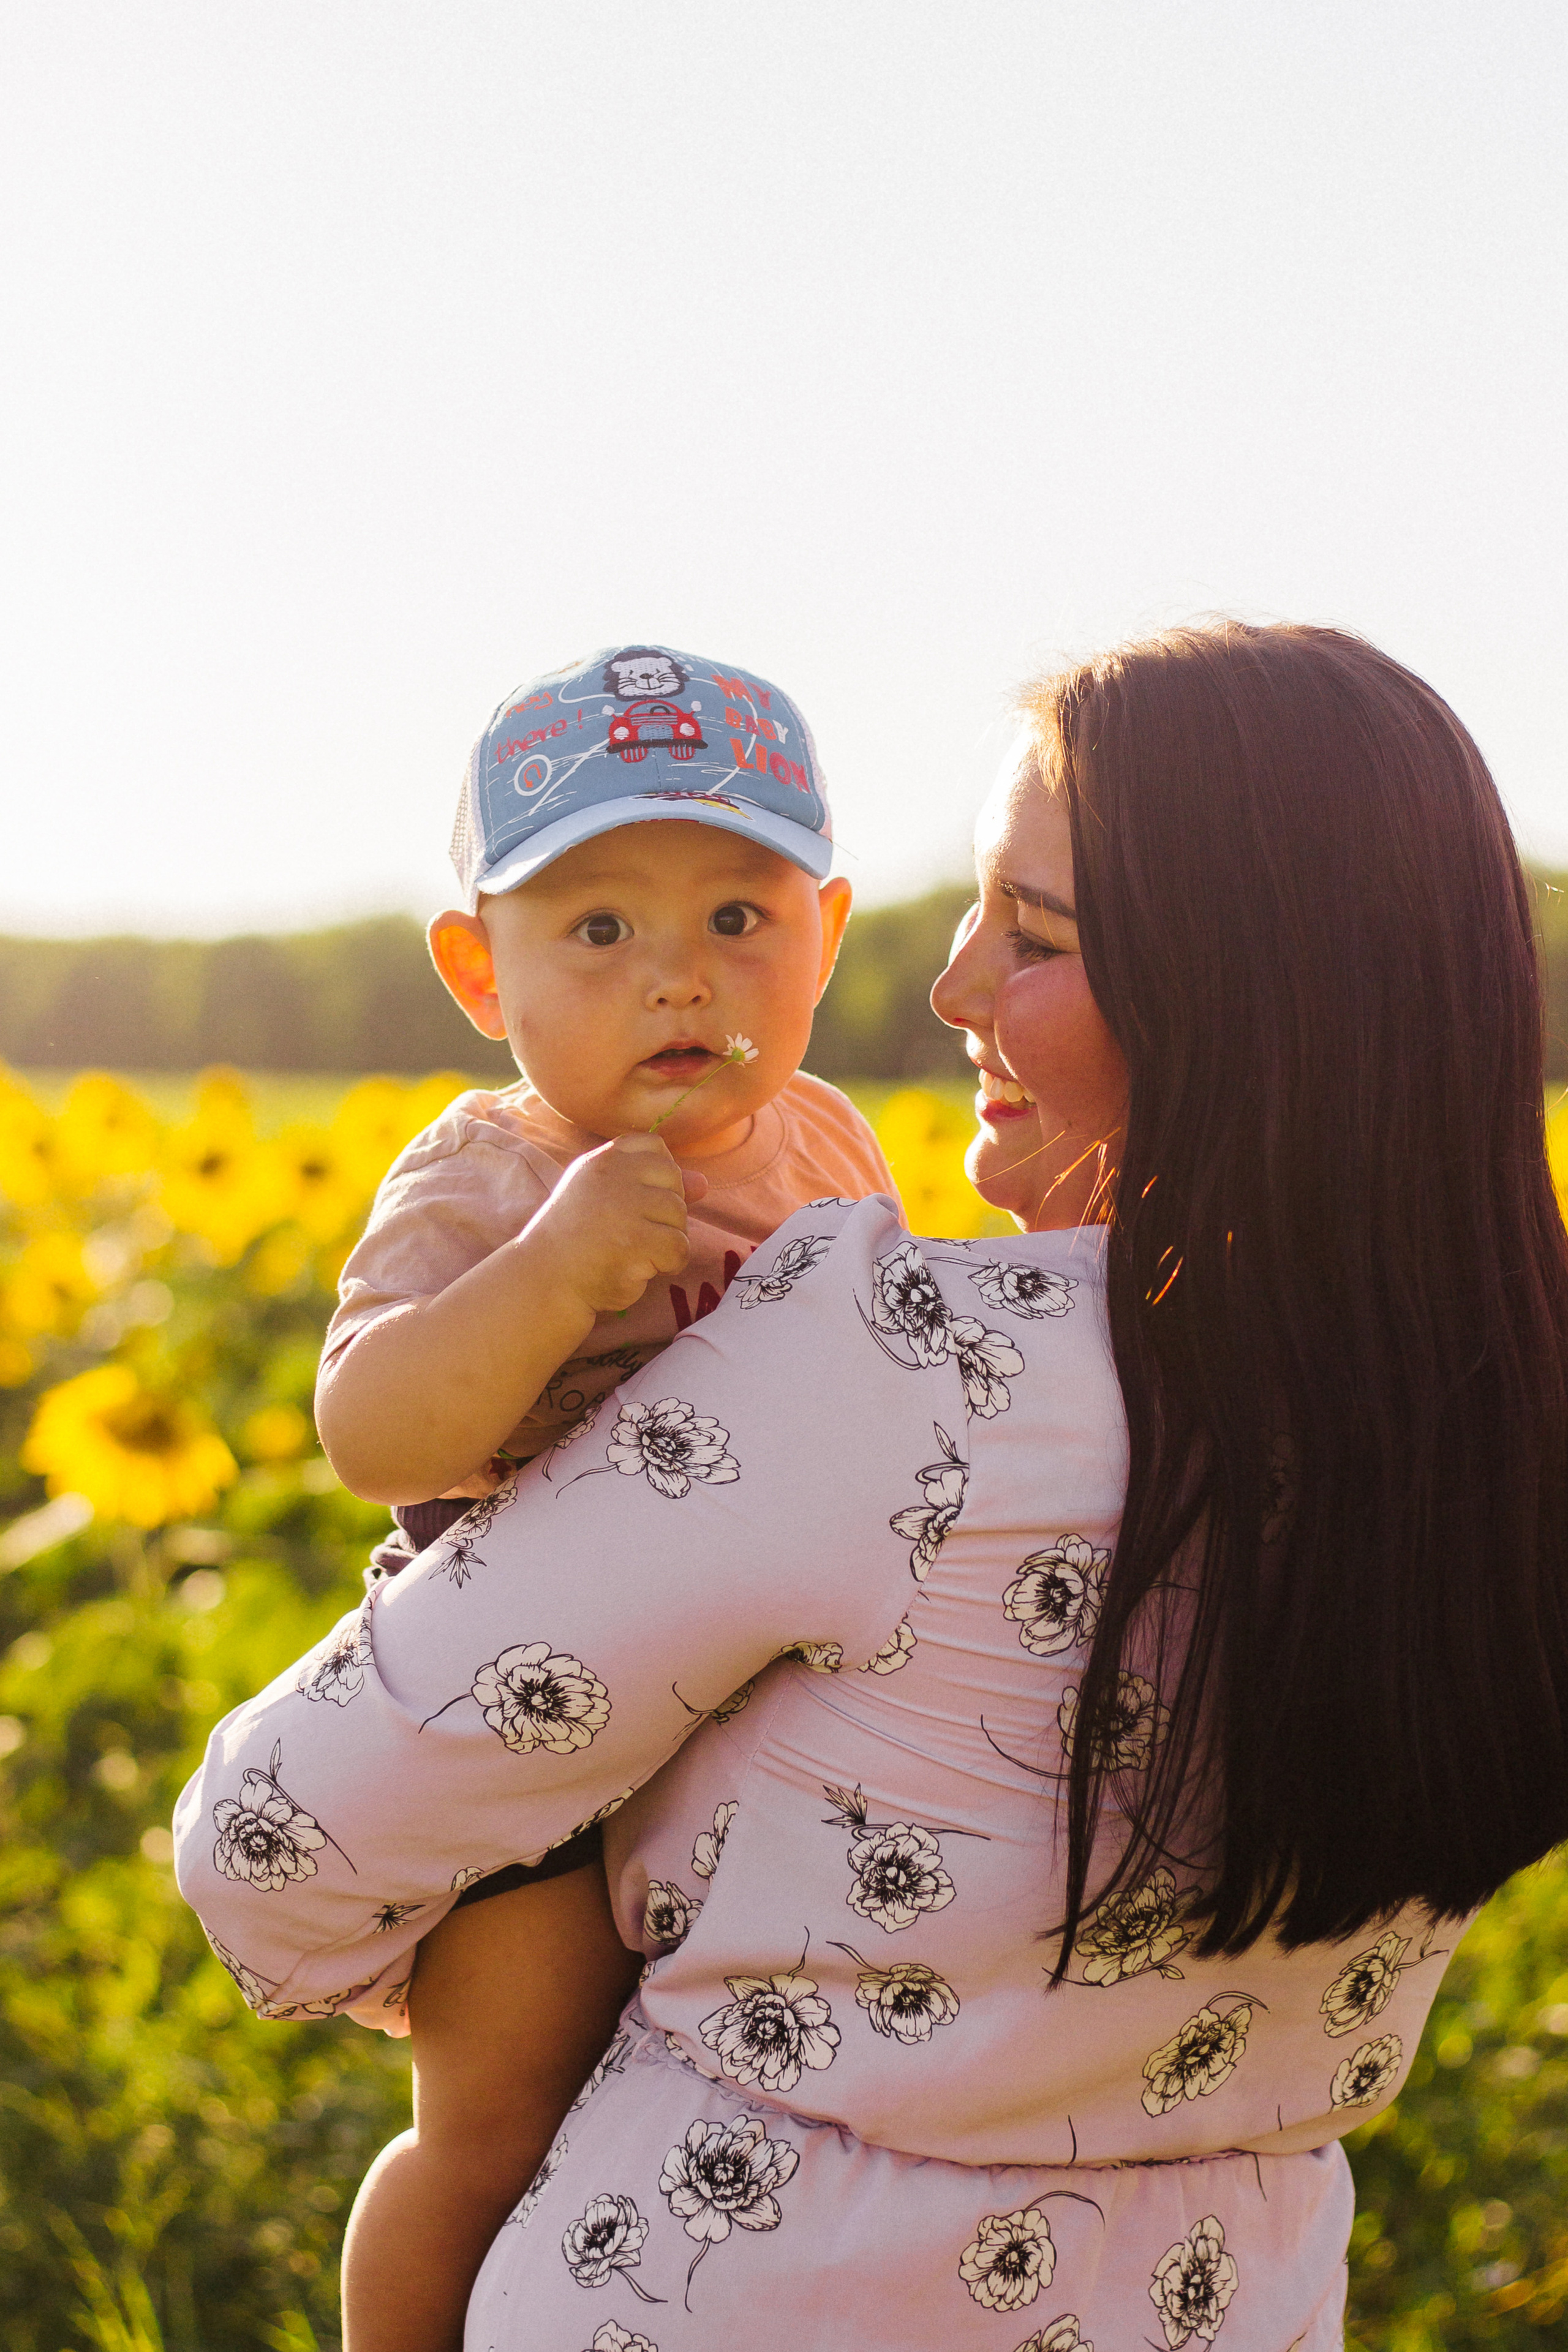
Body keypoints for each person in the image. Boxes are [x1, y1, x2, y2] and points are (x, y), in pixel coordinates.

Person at [175, 622, 1568, 2351]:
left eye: (1034, 936)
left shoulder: (901, 1363)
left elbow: (275, 1842)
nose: (951, 985)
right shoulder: (1500, 1415)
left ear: (1246, 992)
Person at [307, 644, 896, 2346]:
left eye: (739, 918)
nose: (678, 979)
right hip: (532, 1729)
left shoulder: (832, 1148)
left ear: (825, 939)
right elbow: (371, 1431)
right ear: (477, 970)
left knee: (735, 2127)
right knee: (502, 2125)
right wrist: (551, 1276)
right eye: (600, 928)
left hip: (763, 1711)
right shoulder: (492, 1174)